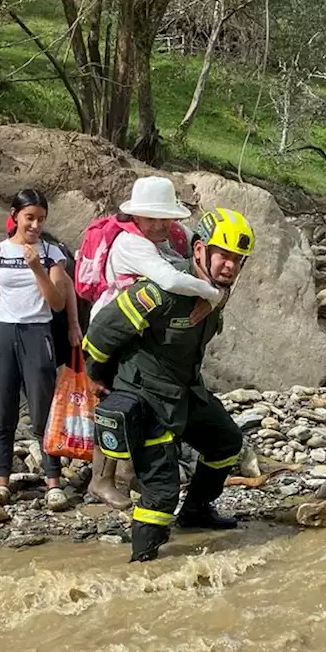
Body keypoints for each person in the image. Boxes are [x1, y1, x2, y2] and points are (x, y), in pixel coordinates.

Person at [81, 207, 256, 562]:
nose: (230, 266)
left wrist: (213, 297)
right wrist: (98, 378)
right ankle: (143, 564)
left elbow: (215, 293)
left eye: (238, 260)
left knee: (226, 443)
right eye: (223, 255)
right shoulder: (158, 292)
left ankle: (196, 512)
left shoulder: (214, 291)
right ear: (199, 251)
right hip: (146, 399)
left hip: (185, 391)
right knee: (161, 492)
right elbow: (100, 335)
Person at [83, 176, 226, 510]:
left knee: (138, 408)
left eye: (165, 217)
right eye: (152, 218)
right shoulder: (131, 244)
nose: (160, 224)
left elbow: (205, 256)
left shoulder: (171, 237)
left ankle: (131, 474)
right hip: (118, 327)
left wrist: (221, 291)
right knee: (117, 402)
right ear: (137, 217)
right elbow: (169, 278)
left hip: (146, 327)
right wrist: (212, 294)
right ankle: (101, 479)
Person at [0, 189, 81, 511]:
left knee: (42, 412)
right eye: (29, 217)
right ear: (15, 215)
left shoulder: (52, 254)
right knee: (3, 411)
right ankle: (2, 481)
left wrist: (37, 269)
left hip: (38, 333)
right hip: (2, 335)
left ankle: (53, 482)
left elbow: (58, 302)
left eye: (41, 219)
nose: (35, 224)